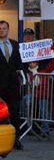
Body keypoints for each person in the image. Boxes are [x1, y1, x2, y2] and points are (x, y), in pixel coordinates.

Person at [0, 20, 25, 150]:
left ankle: (16, 140)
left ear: (8, 30)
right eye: (0, 28)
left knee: (15, 112)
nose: (2, 30)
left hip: (13, 86)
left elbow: (19, 64)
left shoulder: (15, 45)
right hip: (0, 85)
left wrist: (23, 77)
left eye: (4, 28)